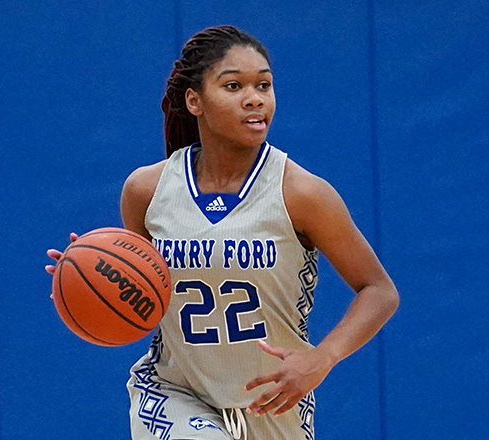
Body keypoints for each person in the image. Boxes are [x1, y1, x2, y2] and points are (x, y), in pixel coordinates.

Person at [47, 25, 399, 440]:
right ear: (194, 101)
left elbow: (378, 290)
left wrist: (322, 358)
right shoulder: (146, 190)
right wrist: (92, 268)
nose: (254, 98)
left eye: (263, 85)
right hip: (174, 391)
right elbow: (141, 285)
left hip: (274, 401)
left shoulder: (303, 193)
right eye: (233, 86)